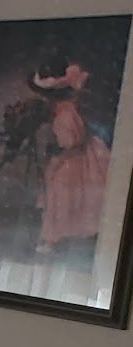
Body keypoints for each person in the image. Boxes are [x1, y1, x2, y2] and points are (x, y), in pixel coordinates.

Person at [31, 56, 114, 256]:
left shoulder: (65, 114)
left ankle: (52, 238)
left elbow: (73, 144)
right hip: (73, 155)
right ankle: (54, 237)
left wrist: (57, 158)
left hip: (76, 158)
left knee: (61, 188)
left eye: (46, 96)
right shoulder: (63, 111)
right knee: (56, 184)